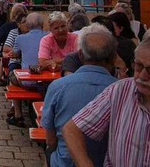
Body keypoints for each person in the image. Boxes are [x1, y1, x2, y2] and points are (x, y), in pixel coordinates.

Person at [63, 34, 150, 167]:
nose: (142, 76)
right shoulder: (120, 91)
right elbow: (72, 129)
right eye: (138, 66)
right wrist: (85, 163)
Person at [42, 24, 117, 167]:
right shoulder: (123, 91)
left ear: (81, 55)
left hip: (65, 162)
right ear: (114, 58)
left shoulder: (58, 87)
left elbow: (50, 140)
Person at [7, 13, 48, 127]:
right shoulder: (49, 36)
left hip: (27, 80)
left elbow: (14, 54)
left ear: (28, 25)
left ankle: (17, 114)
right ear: (42, 24)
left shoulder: (21, 38)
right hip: (46, 80)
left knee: (12, 76)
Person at [0, 3, 28, 88]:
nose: (25, 24)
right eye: (23, 22)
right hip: (14, 59)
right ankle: (4, 79)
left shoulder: (8, 27)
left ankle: (1, 77)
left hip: (17, 60)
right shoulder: (14, 31)